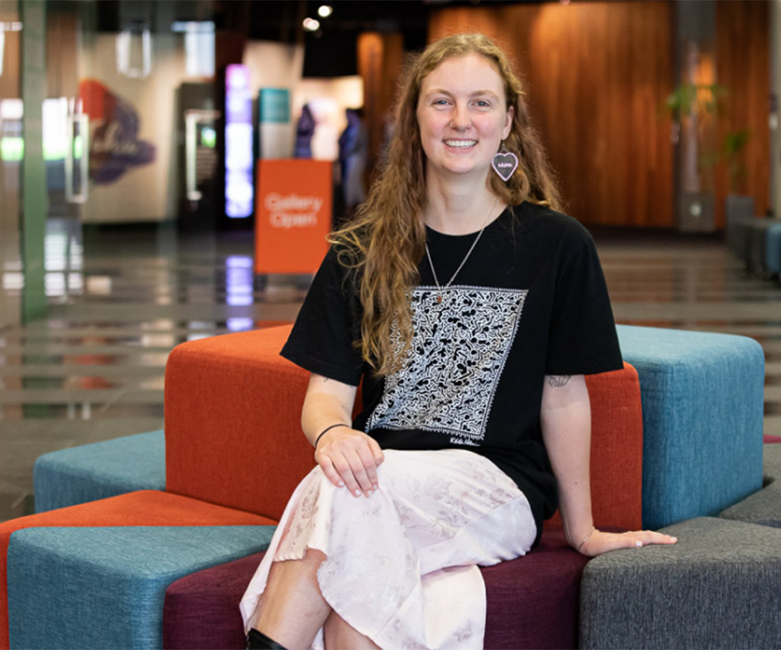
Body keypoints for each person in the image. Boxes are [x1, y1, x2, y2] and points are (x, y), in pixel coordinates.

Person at [241, 33, 677, 650]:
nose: (460, 120)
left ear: (508, 122)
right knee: (353, 529)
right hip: (378, 477)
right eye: (441, 102)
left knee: (339, 495)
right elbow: (326, 398)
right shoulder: (358, 251)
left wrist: (582, 530)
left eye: (480, 103)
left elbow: (562, 395)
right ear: (413, 117)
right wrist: (335, 433)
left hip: (497, 486)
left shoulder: (556, 245)